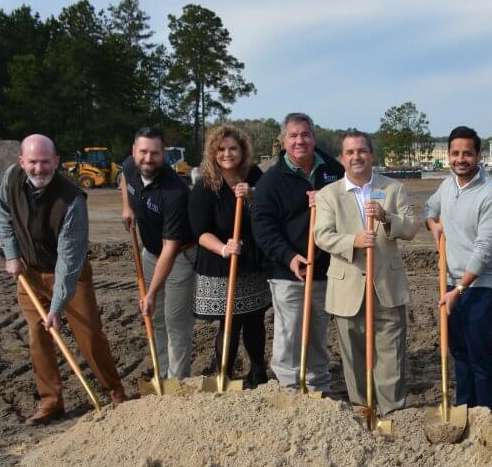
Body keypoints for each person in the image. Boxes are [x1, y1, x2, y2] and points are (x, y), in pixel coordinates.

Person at [0, 134, 125, 425]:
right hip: (29, 271)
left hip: (70, 275)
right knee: (38, 336)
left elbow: (69, 260)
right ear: (21, 162)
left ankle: (115, 393)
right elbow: (2, 213)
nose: (38, 169)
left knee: (89, 335)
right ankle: (51, 403)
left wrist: (56, 307)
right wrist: (11, 254)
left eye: (44, 162)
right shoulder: (11, 179)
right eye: (32, 162)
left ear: (56, 161)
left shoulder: (72, 200)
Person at [314, 130, 418, 415]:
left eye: (362, 151)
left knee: (390, 353)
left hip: (386, 285)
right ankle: (362, 407)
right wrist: (354, 241)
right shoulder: (329, 195)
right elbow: (321, 236)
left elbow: (410, 227)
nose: (356, 157)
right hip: (347, 288)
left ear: (371, 155)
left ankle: (392, 412)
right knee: (353, 354)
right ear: (342, 159)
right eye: (350, 152)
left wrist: (387, 218)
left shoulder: (393, 189)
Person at [251, 113, 344, 392]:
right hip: (288, 273)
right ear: (284, 140)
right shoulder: (271, 180)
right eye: (293, 135)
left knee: (317, 335)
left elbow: (350, 209)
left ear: (314, 137)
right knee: (289, 334)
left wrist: (327, 201)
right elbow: (263, 227)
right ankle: (289, 389)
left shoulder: (333, 172)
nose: (299, 140)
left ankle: (318, 389)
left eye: (305, 134)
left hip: (323, 271)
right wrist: (289, 257)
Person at [425, 126, 492, 412]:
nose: (460, 159)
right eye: (455, 153)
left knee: (479, 352)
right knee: (459, 351)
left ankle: (485, 413)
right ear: (449, 155)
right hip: (452, 283)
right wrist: (433, 224)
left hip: (483, 285)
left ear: (478, 155)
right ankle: (464, 409)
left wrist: (460, 288)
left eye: (467, 153)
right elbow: (430, 207)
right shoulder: (448, 185)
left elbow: (485, 249)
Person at [189, 124, 270, 388]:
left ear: (243, 150)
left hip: (251, 262)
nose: (227, 153)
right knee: (230, 322)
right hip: (221, 263)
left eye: (233, 148)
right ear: (213, 152)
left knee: (255, 320)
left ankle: (258, 373)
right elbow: (200, 232)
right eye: (221, 149)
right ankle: (223, 374)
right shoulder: (205, 185)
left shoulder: (255, 176)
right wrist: (224, 248)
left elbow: (268, 212)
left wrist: (252, 197)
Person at [120, 127, 196, 379]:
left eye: (154, 153)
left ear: (163, 155)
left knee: (175, 323)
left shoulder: (175, 191)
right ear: (134, 151)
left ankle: (177, 383)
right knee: (157, 320)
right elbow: (124, 178)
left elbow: (171, 248)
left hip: (178, 259)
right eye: (143, 152)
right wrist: (127, 208)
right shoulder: (131, 166)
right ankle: (162, 374)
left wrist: (151, 293)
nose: (148, 159)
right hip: (151, 254)